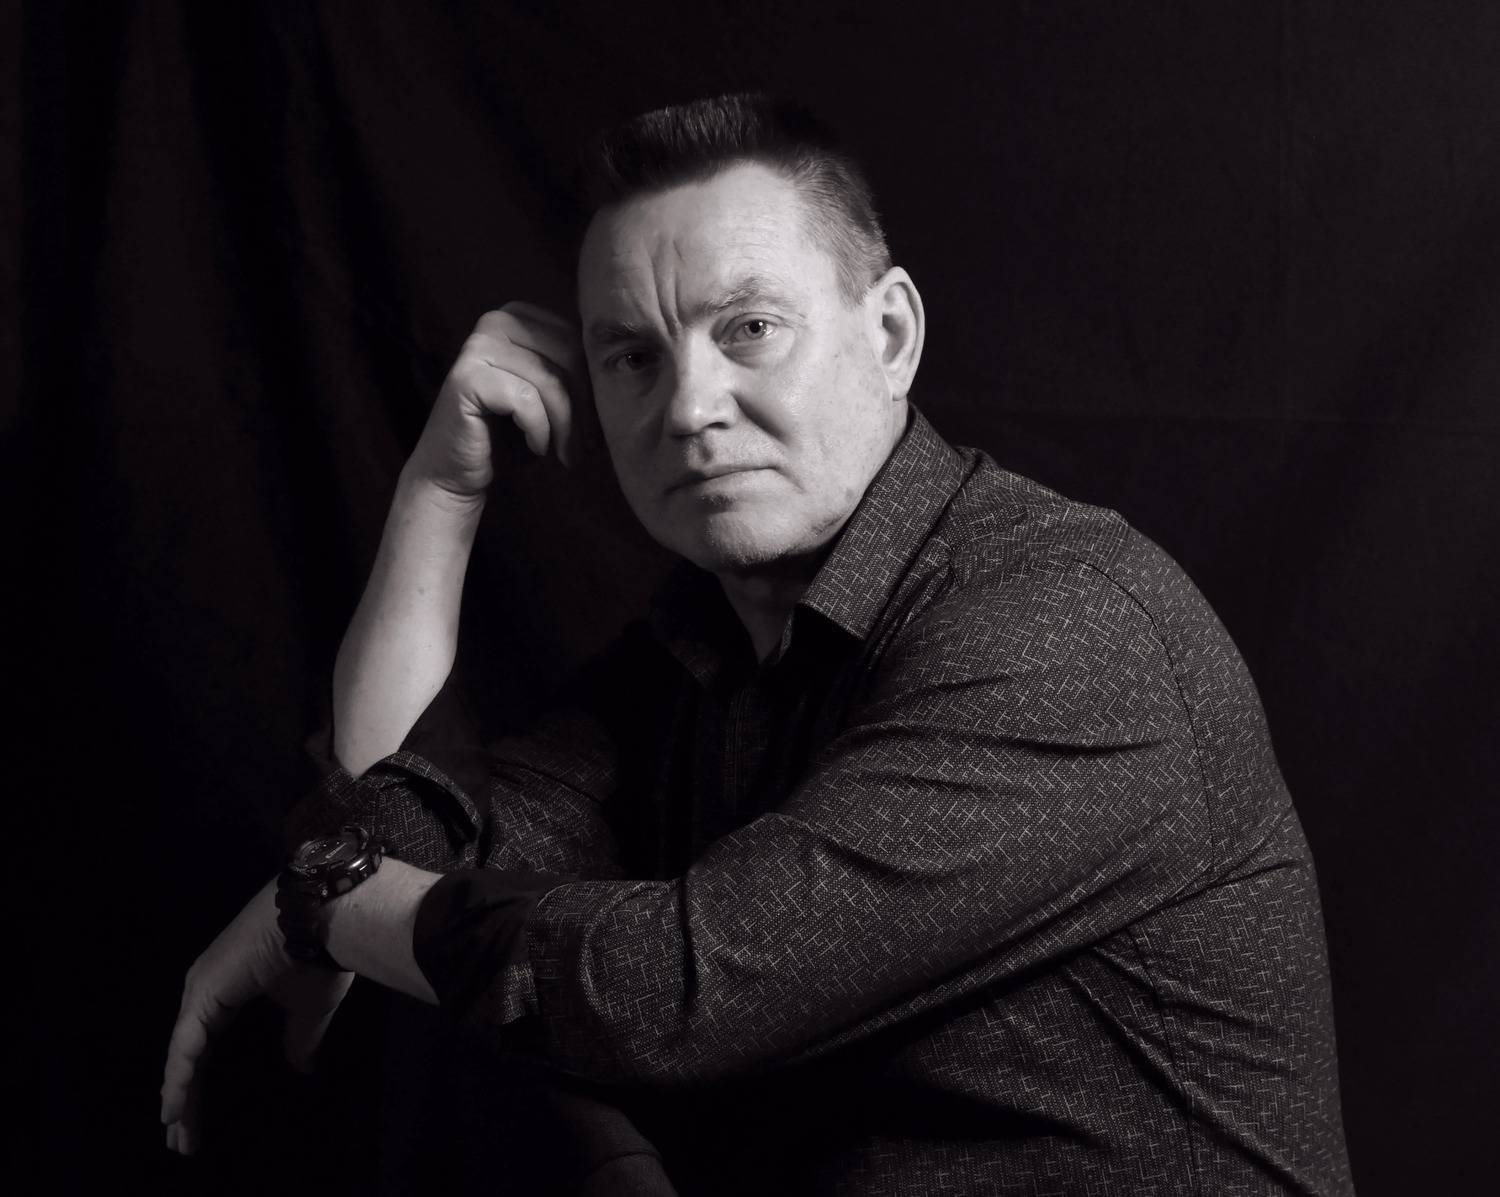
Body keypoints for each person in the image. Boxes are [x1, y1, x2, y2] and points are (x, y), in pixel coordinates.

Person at [162, 93, 1354, 1194]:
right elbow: (401, 828)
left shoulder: (1073, 625)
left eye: (750, 329)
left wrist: (323, 905)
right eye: (635, 356)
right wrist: (442, 490)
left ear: (890, 334)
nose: (689, 407)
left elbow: (666, 996)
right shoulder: (699, 651)